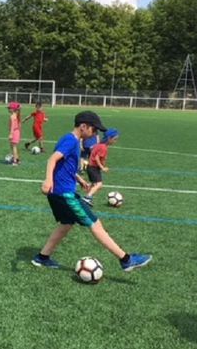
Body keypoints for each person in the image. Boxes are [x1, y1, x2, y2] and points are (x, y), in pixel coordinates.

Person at [31, 111, 152, 272]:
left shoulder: (72, 140)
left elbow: (64, 166)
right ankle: (126, 260)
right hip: (64, 194)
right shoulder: (70, 140)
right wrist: (48, 180)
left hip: (60, 192)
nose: (95, 134)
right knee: (95, 223)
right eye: (94, 130)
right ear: (83, 126)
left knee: (66, 224)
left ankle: (42, 257)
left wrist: (79, 179)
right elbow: (52, 159)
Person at [82, 128, 120, 206]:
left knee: (93, 185)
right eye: (115, 139)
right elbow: (97, 158)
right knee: (99, 185)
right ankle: (87, 197)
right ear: (109, 138)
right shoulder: (103, 147)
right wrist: (102, 167)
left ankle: (86, 198)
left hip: (91, 167)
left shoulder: (99, 145)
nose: (115, 141)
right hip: (93, 168)